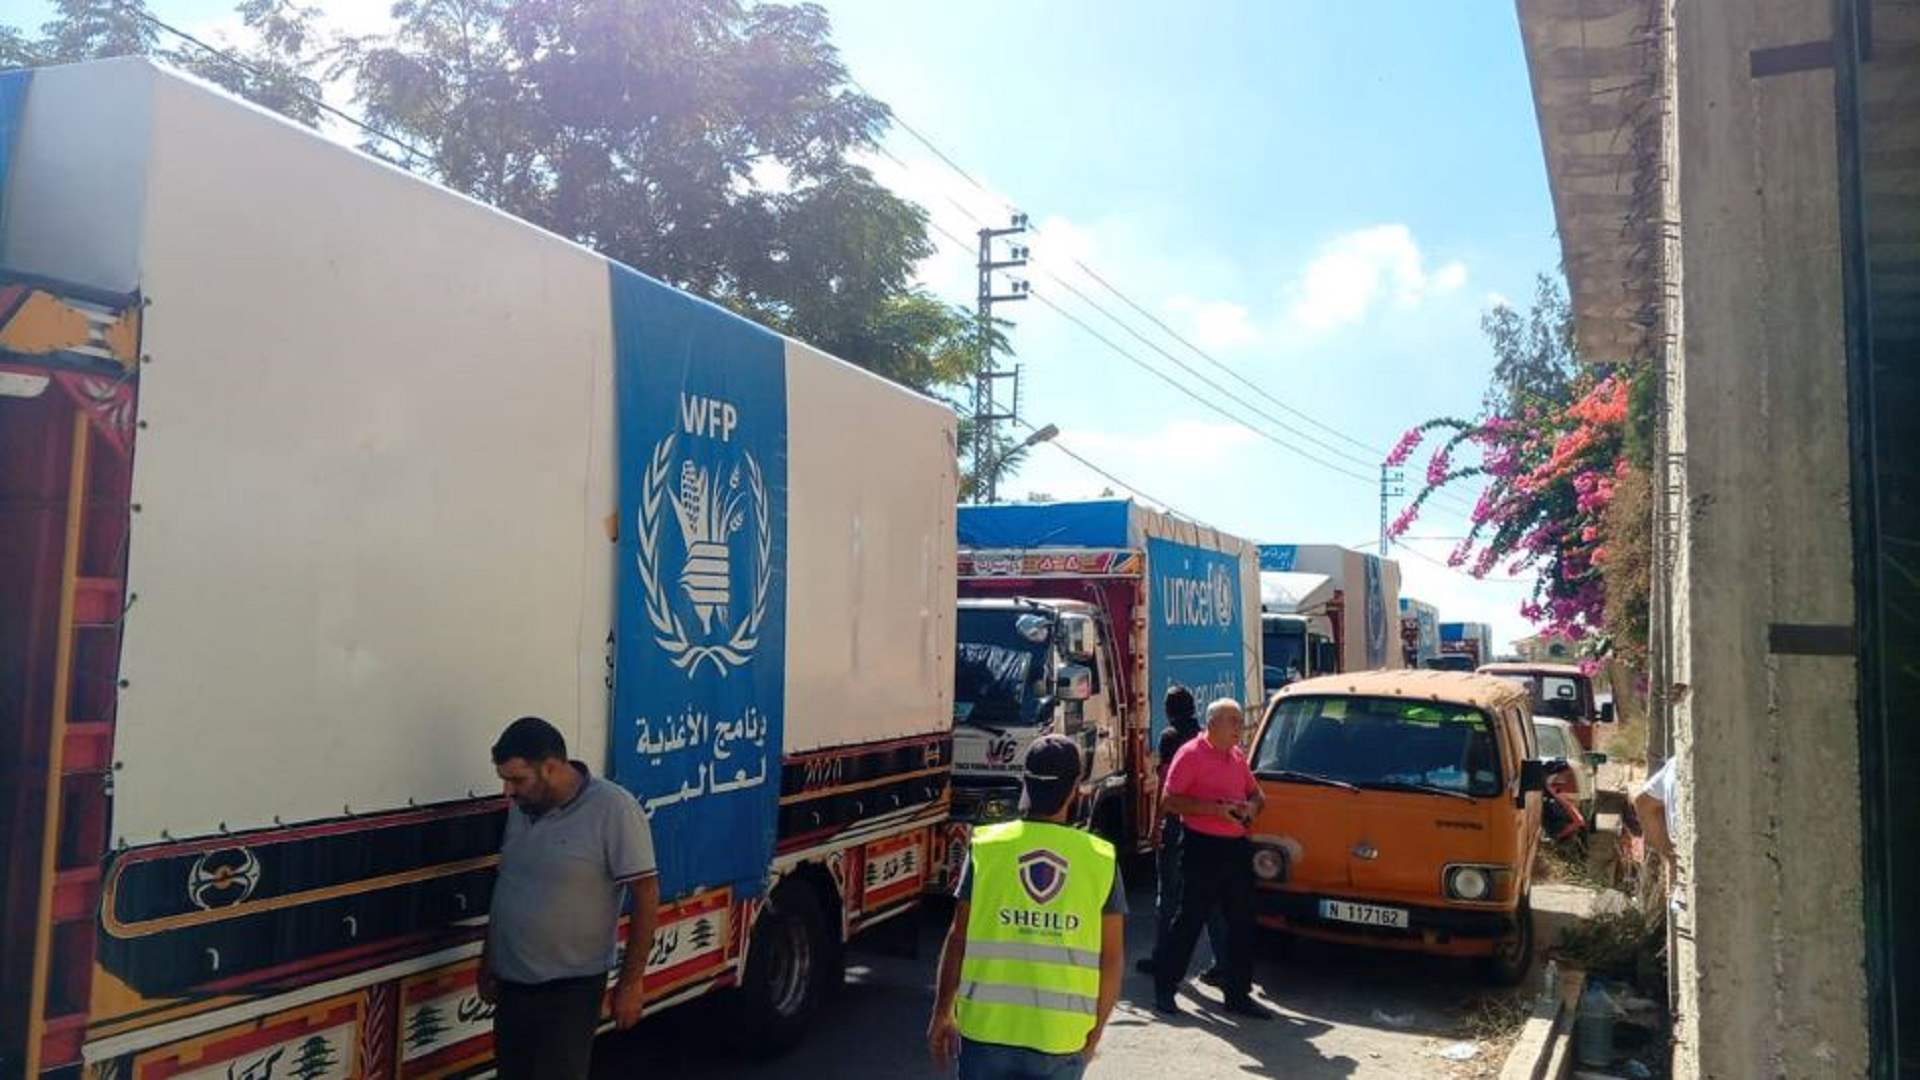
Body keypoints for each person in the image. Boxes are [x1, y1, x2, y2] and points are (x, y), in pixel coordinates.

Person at [928, 735, 1126, 1080]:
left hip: (987, 1032)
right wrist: (1093, 1036)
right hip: (1060, 1038)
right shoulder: (1100, 858)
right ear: (1076, 787)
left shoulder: (987, 848)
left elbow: (958, 938)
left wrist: (941, 1013)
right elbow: (1111, 959)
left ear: (1025, 782)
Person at [479, 717, 659, 1080]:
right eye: (504, 779)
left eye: (517, 779)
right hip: (513, 986)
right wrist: (489, 960)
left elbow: (646, 893)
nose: (507, 792)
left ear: (551, 767)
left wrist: (631, 982)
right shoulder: (523, 808)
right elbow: (510, 887)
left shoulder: (612, 809)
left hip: (569, 990)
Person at [1151, 699, 1269, 1019]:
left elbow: (1257, 794)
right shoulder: (1191, 754)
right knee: (1189, 920)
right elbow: (1169, 801)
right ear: (1212, 723)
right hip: (1202, 846)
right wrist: (1215, 809)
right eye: (1233, 721)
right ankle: (1165, 987)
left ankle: (1238, 994)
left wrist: (1250, 809)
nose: (1239, 728)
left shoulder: (1236, 757)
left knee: (1241, 922)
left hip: (1235, 847)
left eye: (1240, 721)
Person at [1134, 685, 1228, 983]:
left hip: (1176, 826)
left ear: (1169, 710)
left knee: (1169, 898)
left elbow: (1166, 785)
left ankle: (1164, 957)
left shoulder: (1170, 738)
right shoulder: (1204, 739)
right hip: (1204, 828)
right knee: (1210, 900)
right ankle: (1223, 964)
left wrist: (1155, 826)